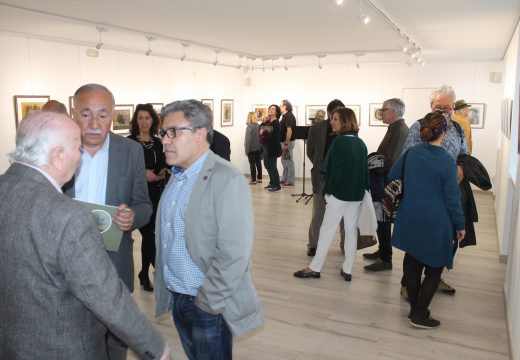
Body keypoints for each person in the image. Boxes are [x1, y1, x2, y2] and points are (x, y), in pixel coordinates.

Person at [0, 111, 169, 360]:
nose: (80, 157)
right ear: (58, 156)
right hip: (63, 348)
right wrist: (155, 348)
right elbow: (105, 295)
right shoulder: (70, 216)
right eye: (77, 148)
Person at [155, 99, 264, 359]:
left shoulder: (226, 178)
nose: (165, 140)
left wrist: (208, 301)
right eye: (163, 133)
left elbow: (235, 252)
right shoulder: (178, 176)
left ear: (200, 133)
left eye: (173, 132)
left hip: (206, 300)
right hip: (179, 295)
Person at [63, 83, 153, 360]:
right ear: (72, 112)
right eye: (86, 113)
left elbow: (145, 204)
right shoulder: (57, 149)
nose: (93, 123)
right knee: (71, 338)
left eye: (102, 115)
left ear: (113, 115)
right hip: (64, 265)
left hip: (114, 264)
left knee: (115, 341)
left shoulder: (130, 151)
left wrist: (132, 217)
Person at [390, 111, 465, 328]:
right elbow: (453, 200)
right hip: (436, 221)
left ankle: (415, 309)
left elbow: (394, 174)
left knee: (412, 265)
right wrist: (460, 225)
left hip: (411, 215)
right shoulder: (447, 162)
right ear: (444, 132)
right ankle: (420, 314)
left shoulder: (413, 152)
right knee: (434, 269)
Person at [401, 84, 469, 297]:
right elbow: (407, 157)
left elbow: (465, 154)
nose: (442, 111)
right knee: (416, 244)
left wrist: (461, 168)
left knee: (442, 243)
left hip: (449, 195)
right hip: (423, 196)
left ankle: (434, 279)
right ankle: (407, 284)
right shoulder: (418, 126)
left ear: (453, 108)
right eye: (438, 107)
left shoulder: (457, 129)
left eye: (447, 108)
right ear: (431, 106)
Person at [294, 107, 371, 282]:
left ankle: (315, 267)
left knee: (327, 230)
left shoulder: (339, 142)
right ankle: (348, 268)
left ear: (345, 121)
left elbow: (332, 171)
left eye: (335, 119)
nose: (331, 122)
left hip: (339, 194)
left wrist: (328, 193)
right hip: (356, 195)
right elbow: (365, 172)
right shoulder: (360, 143)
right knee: (351, 230)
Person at [363, 98, 409, 271]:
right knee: (380, 219)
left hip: (385, 183)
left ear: (393, 112)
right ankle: (383, 250)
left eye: (383, 110)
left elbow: (391, 161)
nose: (381, 113)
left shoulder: (400, 131)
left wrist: (369, 162)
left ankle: (386, 259)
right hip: (381, 181)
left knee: (382, 220)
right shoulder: (395, 129)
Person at [127, 103, 167, 292]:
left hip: (158, 193)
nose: (144, 122)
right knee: (149, 234)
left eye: (147, 118)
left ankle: (145, 273)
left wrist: (162, 172)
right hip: (139, 196)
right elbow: (125, 170)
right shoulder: (129, 143)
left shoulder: (158, 142)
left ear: (153, 120)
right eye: (140, 118)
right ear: (136, 120)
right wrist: (143, 173)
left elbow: (164, 163)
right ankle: (155, 271)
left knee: (152, 236)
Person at [306, 99, 346, 256]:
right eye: (336, 113)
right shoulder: (316, 128)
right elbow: (311, 151)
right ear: (329, 113)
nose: (339, 117)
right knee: (318, 214)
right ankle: (313, 244)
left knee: (344, 214)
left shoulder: (347, 129)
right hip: (321, 176)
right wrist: (321, 165)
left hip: (342, 178)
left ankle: (345, 244)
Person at [260, 105, 283, 192]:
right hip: (266, 147)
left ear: (276, 112)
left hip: (272, 148)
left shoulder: (276, 123)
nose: (270, 110)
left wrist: (264, 131)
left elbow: (274, 135)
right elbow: (261, 129)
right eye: (270, 109)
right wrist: (264, 125)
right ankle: (272, 183)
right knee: (267, 165)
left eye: (273, 109)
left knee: (272, 166)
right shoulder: (268, 121)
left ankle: (277, 186)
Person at [279, 99, 296, 187]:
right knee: (284, 161)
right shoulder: (284, 116)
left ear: (285, 107)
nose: (279, 107)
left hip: (287, 143)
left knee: (288, 161)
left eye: (281, 105)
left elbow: (289, 131)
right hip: (284, 142)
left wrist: (286, 144)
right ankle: (284, 178)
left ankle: (290, 180)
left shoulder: (289, 116)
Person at [244, 111, 263, 184]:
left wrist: (247, 150)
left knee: (252, 164)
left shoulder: (249, 127)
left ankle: (253, 179)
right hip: (258, 148)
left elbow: (248, 140)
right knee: (258, 163)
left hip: (251, 149)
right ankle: (259, 178)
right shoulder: (258, 126)